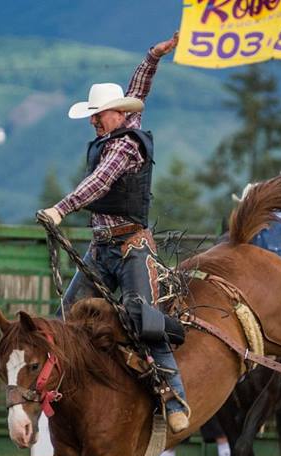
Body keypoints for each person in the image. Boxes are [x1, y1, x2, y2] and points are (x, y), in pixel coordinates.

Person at [35, 32, 190, 434]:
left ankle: (174, 396)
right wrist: (152, 55)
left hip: (130, 247)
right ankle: (66, 391)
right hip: (101, 248)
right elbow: (139, 88)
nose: (94, 119)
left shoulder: (122, 148)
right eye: (93, 113)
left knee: (143, 319)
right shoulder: (122, 129)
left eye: (98, 113)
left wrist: (60, 209)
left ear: (117, 114)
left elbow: (99, 184)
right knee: (66, 316)